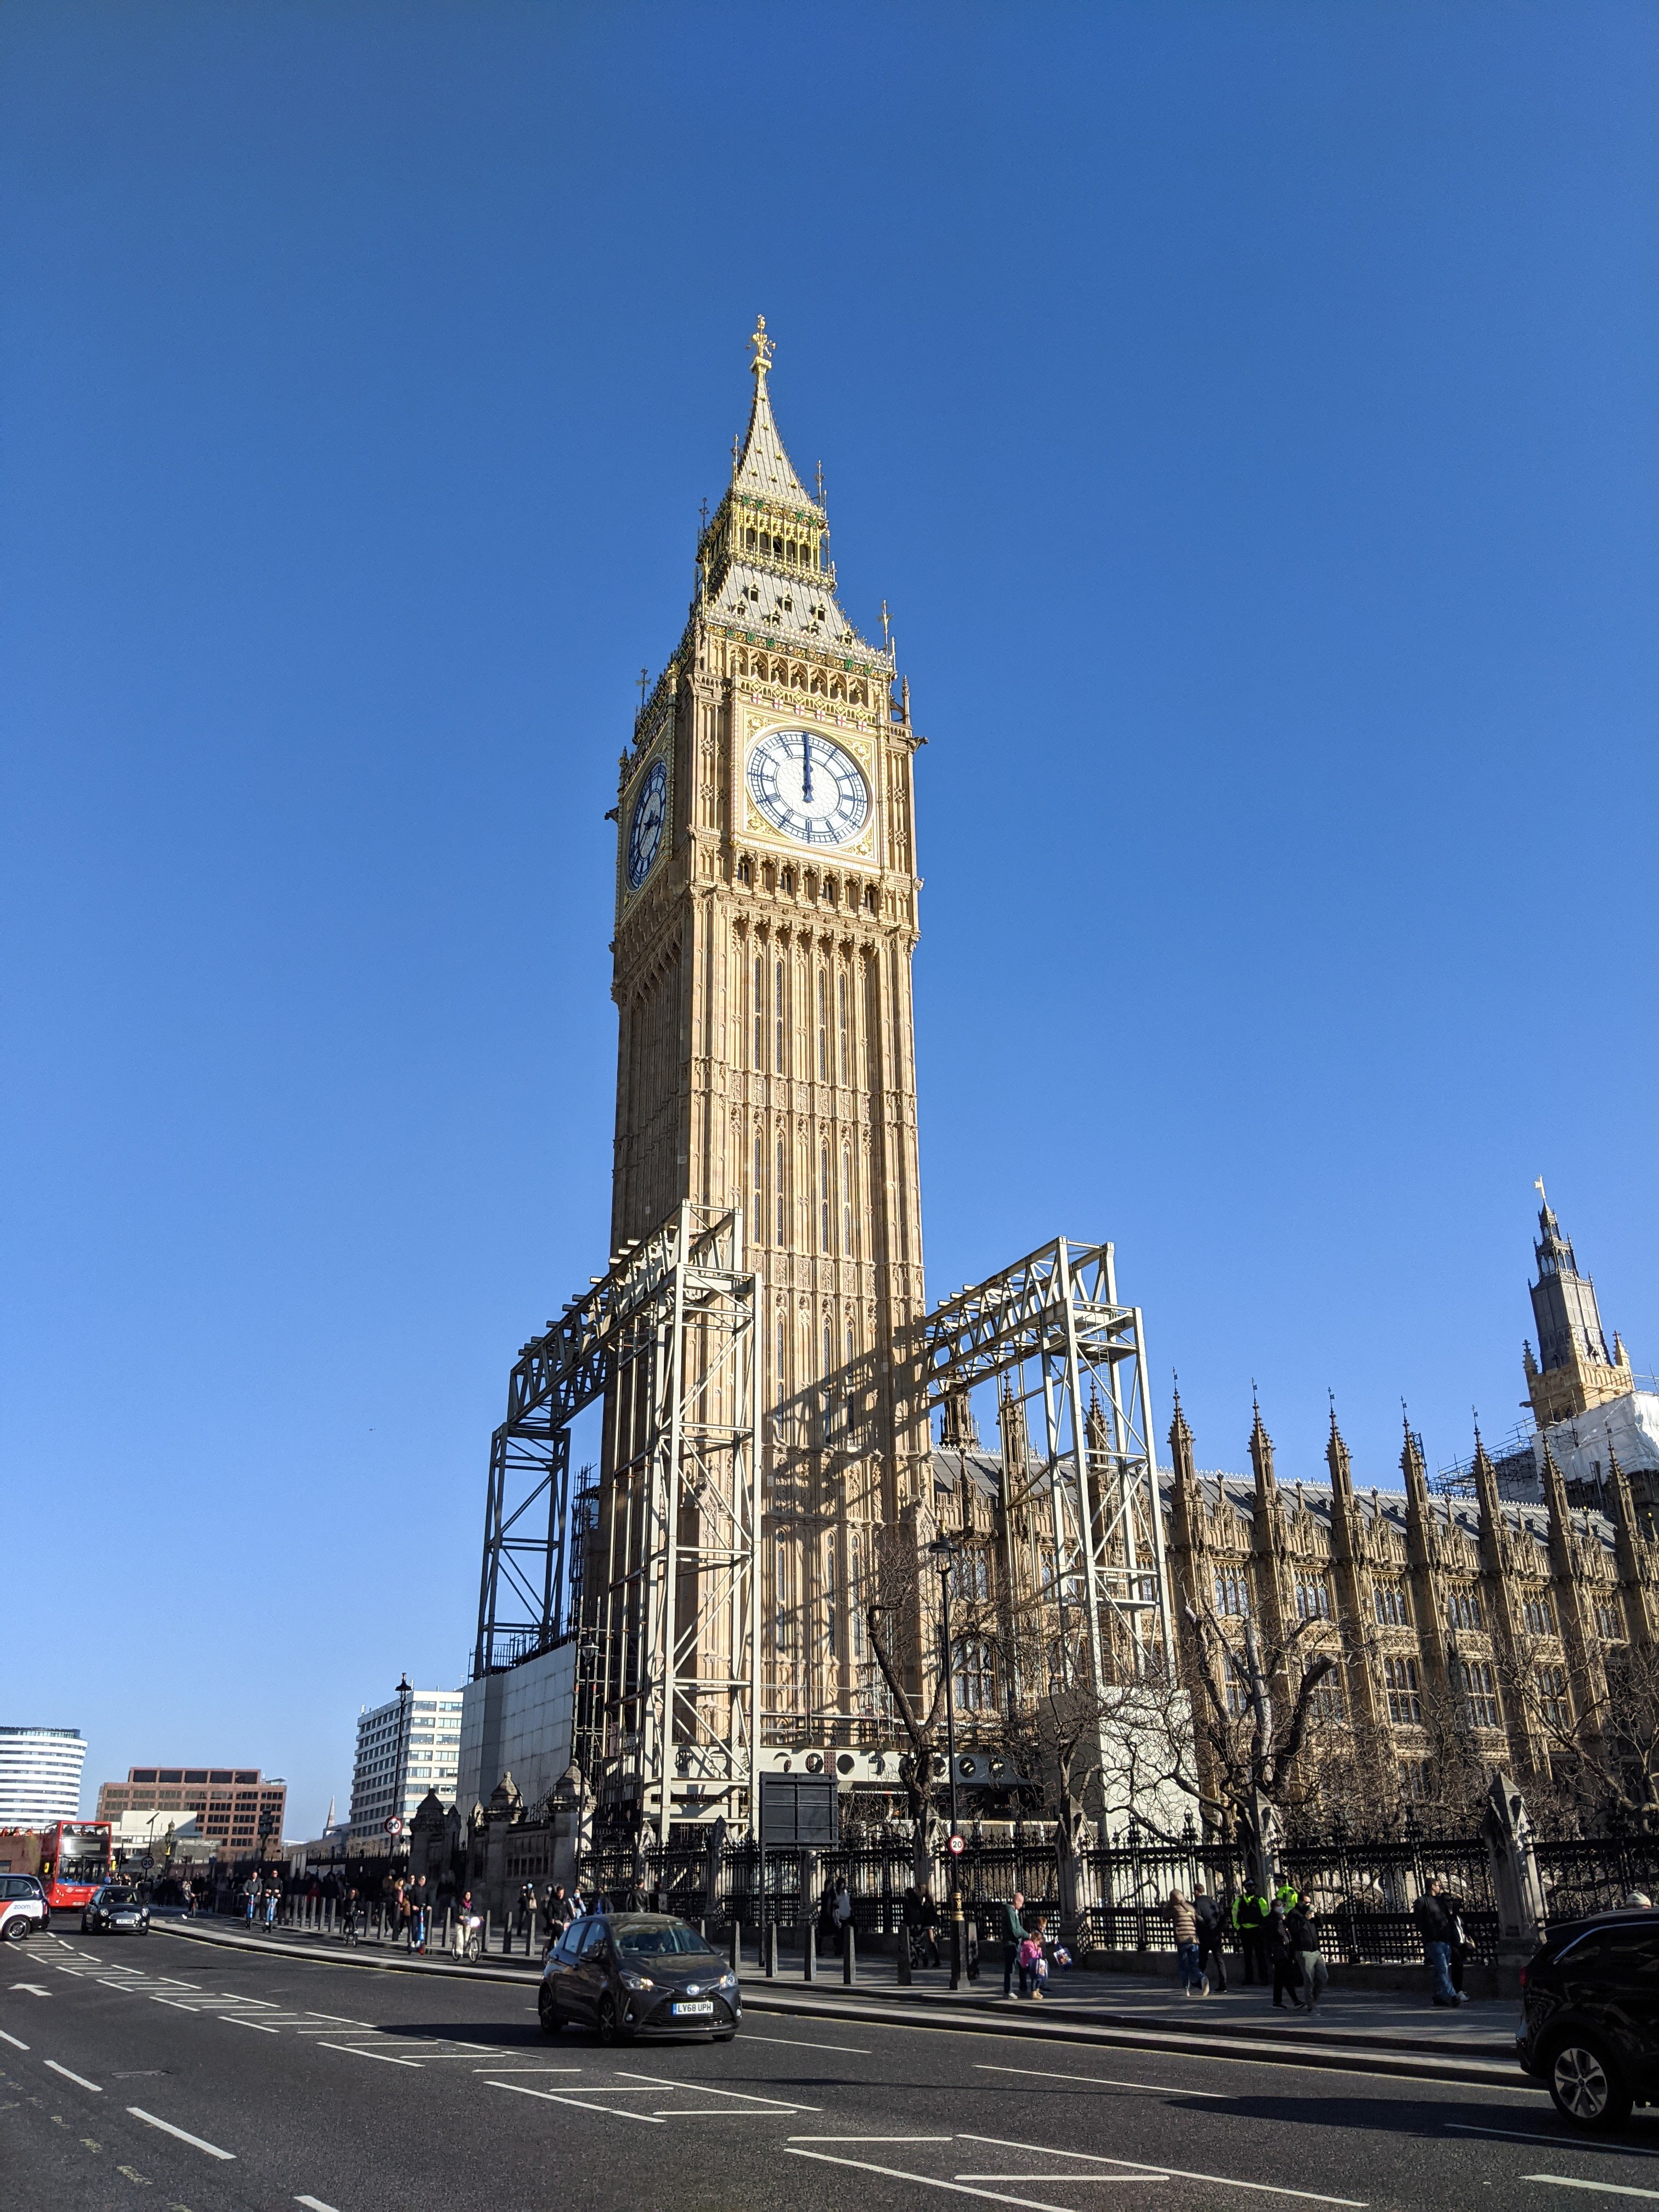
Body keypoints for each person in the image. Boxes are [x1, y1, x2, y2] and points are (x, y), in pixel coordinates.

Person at [1413, 1876, 1466, 2007]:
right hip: (1433, 1941)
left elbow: (1448, 1918)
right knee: (1443, 1968)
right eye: (1438, 1886)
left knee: (1441, 1969)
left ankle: (1439, 1996)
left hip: (1446, 1940)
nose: (1439, 1888)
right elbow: (1419, 1921)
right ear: (1432, 1887)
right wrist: (1429, 1934)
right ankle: (1452, 1995)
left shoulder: (1440, 1901)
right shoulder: (1422, 1901)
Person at [1286, 1899, 1328, 2011]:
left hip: (1316, 1950)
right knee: (1309, 1978)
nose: (1308, 1904)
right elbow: (1294, 1930)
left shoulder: (1311, 1913)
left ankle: (1312, 1999)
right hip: (1303, 1951)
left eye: (1310, 1902)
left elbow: (1321, 1925)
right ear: (1300, 1902)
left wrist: (1317, 1914)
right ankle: (1311, 2005)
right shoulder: (1294, 1913)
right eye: (1306, 1902)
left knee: (1323, 1976)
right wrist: (1305, 1918)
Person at [1266, 1901, 1304, 2009]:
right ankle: (1296, 2001)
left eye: (1283, 1906)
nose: (1282, 1908)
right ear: (1274, 1908)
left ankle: (1277, 2002)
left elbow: (1290, 1930)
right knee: (1286, 1976)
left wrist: (1285, 1920)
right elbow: (1278, 1934)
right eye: (1279, 1906)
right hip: (1278, 1952)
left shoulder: (1282, 1919)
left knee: (1279, 1977)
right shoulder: (1271, 1920)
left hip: (1286, 1950)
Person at [1167, 1888, 1203, 1996]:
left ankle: (1185, 1988)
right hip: (1193, 1940)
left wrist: (1168, 1905)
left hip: (1182, 1940)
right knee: (1194, 1964)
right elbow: (1191, 1916)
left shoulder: (1175, 1909)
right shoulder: (1189, 1908)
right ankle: (1203, 1978)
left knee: (1184, 1965)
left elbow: (1165, 1917)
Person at [1233, 1885, 1271, 1987]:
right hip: (1245, 1930)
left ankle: (1264, 1978)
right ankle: (1249, 1978)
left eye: (1254, 1887)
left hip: (1257, 1930)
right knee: (1247, 1956)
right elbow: (1235, 1913)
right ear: (1246, 1888)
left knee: (1260, 1955)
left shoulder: (1260, 1899)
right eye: (1250, 1887)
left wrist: (1263, 1927)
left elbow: (1266, 1914)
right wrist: (1238, 1927)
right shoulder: (1240, 1900)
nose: (1252, 1889)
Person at [1193, 1887, 1227, 1995]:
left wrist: (1189, 1914)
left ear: (1196, 1892)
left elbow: (1194, 1915)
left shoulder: (1197, 1903)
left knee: (1202, 1959)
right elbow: (1223, 1918)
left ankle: (1200, 1981)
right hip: (1216, 1935)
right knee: (1219, 1959)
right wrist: (1218, 1930)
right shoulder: (1214, 1902)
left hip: (1205, 1935)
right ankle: (1223, 1984)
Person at [1001, 1889, 1028, 2000]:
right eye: (1021, 1903)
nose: (1022, 1906)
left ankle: (1023, 1988)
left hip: (1015, 1944)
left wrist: (1028, 1935)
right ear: (1016, 1901)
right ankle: (1008, 1991)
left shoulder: (1012, 1912)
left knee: (1022, 1966)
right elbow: (1015, 1931)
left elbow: (1019, 1929)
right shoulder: (1010, 1912)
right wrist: (1024, 1934)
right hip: (1011, 1944)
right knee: (1010, 1968)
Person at [1016, 1915, 1048, 2001]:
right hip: (1028, 1964)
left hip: (1035, 1963)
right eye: (1038, 1942)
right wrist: (1038, 1951)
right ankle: (1033, 1992)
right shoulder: (1030, 1945)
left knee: (1040, 1977)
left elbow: (1038, 1955)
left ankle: (1037, 1991)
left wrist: (1039, 1952)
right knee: (1035, 1978)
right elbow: (1033, 1955)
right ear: (1035, 1940)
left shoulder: (1035, 1944)